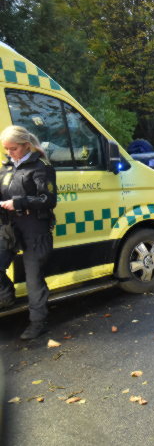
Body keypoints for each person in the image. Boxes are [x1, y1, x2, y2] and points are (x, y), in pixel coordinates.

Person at [0, 125, 57, 340]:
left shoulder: (41, 167)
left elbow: (49, 200)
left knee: (33, 280)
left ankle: (38, 322)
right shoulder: (6, 167)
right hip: (9, 228)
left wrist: (19, 202)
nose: (9, 153)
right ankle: (6, 296)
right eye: (6, 149)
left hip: (35, 228)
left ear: (26, 145)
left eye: (13, 149)